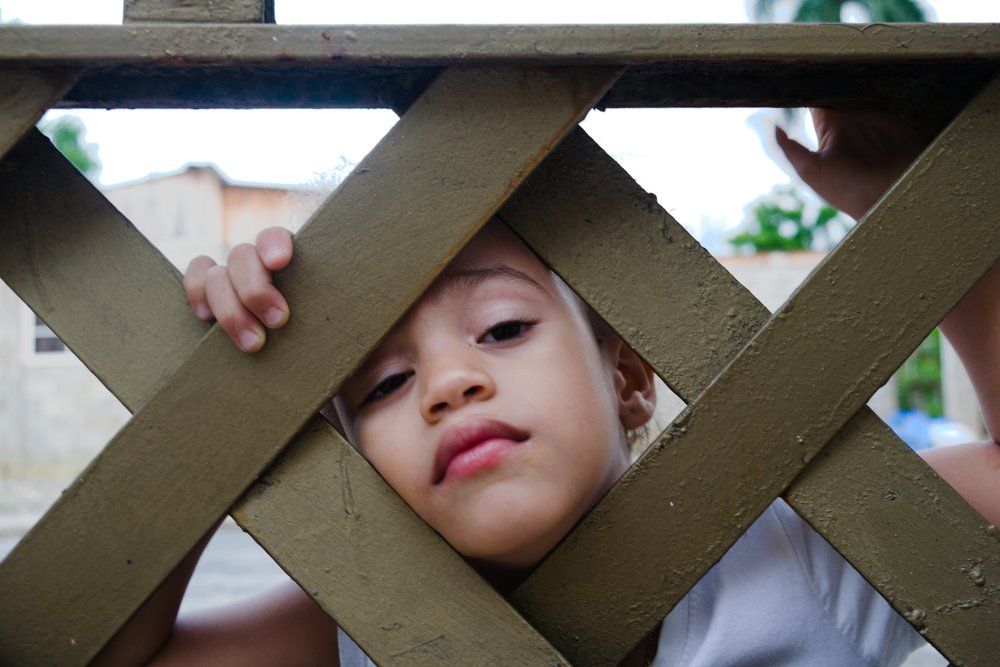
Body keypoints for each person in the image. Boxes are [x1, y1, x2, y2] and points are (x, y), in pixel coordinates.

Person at [92, 109, 1000, 666]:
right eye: (384, 384)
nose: (448, 383)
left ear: (630, 378)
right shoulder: (361, 620)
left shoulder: (804, 550)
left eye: (503, 328)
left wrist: (923, 225)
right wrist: (219, 396)